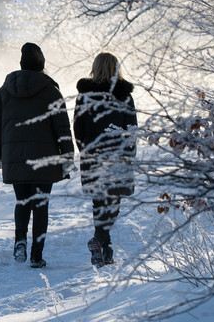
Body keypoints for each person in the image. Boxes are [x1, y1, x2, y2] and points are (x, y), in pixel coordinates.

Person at [0, 43, 75, 268]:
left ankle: (19, 241)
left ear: (21, 64)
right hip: (44, 159)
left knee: (22, 201)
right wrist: (67, 156)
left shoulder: (4, 91)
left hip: (15, 157)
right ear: (42, 64)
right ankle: (37, 255)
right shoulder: (50, 91)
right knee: (41, 205)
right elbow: (62, 128)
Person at [74, 52, 138, 268]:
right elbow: (131, 127)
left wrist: (85, 149)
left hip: (93, 154)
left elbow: (78, 127)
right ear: (115, 68)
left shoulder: (84, 95)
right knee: (113, 200)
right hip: (117, 154)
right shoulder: (124, 95)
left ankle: (104, 248)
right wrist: (130, 151)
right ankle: (100, 240)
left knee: (99, 201)